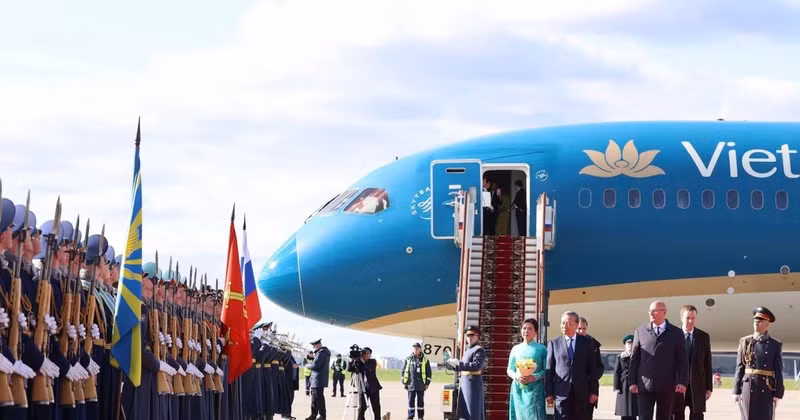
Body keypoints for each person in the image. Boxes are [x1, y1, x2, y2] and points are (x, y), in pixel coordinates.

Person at [628, 301, 689, 420]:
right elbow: (634, 359)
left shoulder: (676, 333)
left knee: (664, 417)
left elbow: (682, 360)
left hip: (667, 385)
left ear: (664, 312)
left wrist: (682, 381)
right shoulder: (641, 331)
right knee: (644, 417)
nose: (651, 313)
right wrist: (632, 382)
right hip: (645, 385)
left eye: (654, 311)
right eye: (649, 311)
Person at [545, 311, 601, 420]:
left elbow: (592, 369)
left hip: (581, 392)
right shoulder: (554, 343)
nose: (564, 326)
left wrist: (594, 391)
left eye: (568, 323)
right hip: (561, 392)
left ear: (576, 325)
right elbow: (549, 370)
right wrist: (548, 393)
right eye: (562, 323)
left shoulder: (587, 342)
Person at [733, 306, 784, 420]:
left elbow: (778, 371)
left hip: (766, 389)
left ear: (767, 324)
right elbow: (739, 367)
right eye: (755, 321)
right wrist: (736, 391)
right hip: (748, 387)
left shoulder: (775, 344)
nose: (756, 324)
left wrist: (778, 393)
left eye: (760, 321)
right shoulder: (745, 342)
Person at [673, 305, 712, 420]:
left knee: (697, 415)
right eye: (687, 318)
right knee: (676, 414)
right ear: (681, 318)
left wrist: (708, 387)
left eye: (693, 318)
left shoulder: (703, 337)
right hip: (677, 384)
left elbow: (707, 363)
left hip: (697, 385)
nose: (690, 321)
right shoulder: (673, 335)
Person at [507, 318, 546, 420]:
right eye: (524, 328)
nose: (526, 331)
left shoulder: (542, 349)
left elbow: (547, 370)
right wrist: (517, 376)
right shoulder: (515, 349)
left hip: (535, 389)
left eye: (530, 329)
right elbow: (509, 370)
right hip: (518, 388)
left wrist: (535, 377)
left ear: (535, 332)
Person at [447, 325, 486, 420]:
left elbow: (477, 365)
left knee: (473, 411)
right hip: (465, 383)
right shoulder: (468, 349)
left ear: (478, 336)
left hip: (473, 384)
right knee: (464, 411)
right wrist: (454, 366)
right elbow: (465, 366)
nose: (470, 338)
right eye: (468, 336)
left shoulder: (479, 349)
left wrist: (459, 364)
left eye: (472, 335)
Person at [577, 317, 604, 420]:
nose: (581, 331)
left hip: (588, 388)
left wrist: (590, 380)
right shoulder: (569, 343)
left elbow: (599, 367)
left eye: (584, 329)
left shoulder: (593, 344)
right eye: (579, 328)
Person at [402, 343, 431, 420]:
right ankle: (410, 416)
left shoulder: (425, 360)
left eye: (417, 348)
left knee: (420, 402)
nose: (415, 350)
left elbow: (429, 372)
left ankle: (420, 416)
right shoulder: (408, 359)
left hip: (421, 384)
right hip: (411, 384)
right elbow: (403, 370)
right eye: (414, 348)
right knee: (411, 401)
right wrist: (404, 382)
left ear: (420, 349)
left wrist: (427, 383)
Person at [306, 338, 330, 420]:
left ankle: (322, 415)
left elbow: (315, 366)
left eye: (314, 345)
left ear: (318, 345)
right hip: (316, 379)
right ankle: (313, 415)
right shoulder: (320, 353)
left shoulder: (322, 353)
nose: (313, 347)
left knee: (319, 398)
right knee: (314, 399)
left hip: (318, 379)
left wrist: (307, 365)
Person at [613, 335, 637, 420]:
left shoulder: (637, 357)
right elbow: (616, 372)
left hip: (634, 385)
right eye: (628, 344)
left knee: (633, 410)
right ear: (625, 345)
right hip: (623, 386)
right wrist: (616, 386)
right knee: (624, 410)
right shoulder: (620, 357)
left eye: (631, 343)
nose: (630, 345)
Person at [356, 347, 382, 420]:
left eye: (368, 353)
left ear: (370, 355)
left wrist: (363, 362)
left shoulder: (373, 361)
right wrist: (354, 360)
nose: (366, 355)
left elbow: (370, 368)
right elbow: (350, 369)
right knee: (361, 408)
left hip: (373, 388)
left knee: (376, 407)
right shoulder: (359, 362)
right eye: (364, 353)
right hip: (363, 388)